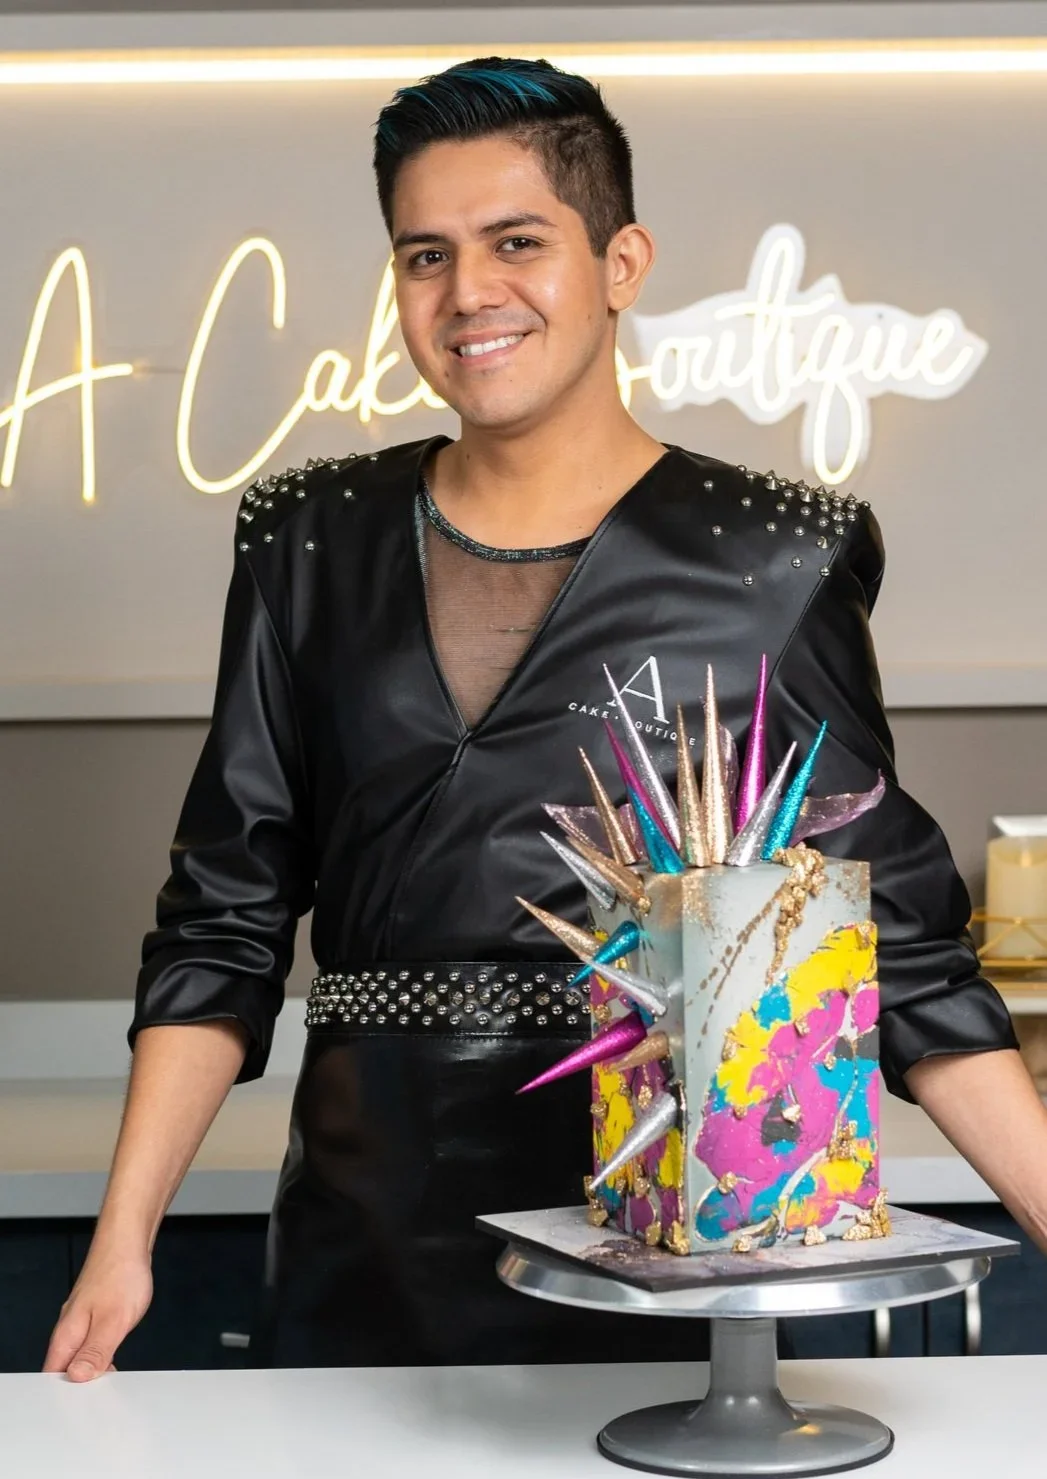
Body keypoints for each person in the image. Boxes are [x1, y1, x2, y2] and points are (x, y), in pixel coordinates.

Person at [46, 56, 1039, 1379]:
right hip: (363, 1239)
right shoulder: (306, 537)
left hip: (671, 1245)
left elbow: (898, 953)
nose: (468, 292)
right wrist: (121, 1241)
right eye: (425, 255)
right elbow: (222, 920)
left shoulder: (774, 556)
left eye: (516, 242)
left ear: (621, 263)